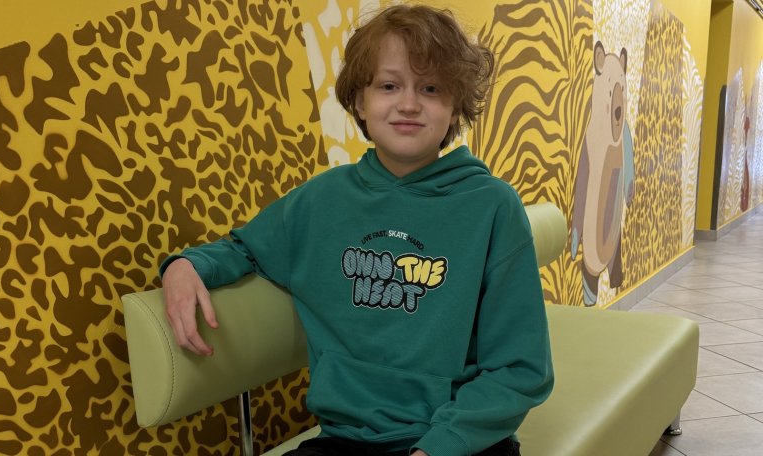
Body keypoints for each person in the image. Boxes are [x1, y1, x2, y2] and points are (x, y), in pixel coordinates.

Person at [159, 4, 553, 456]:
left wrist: (439, 447)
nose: (409, 103)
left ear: (455, 106)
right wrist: (185, 267)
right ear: (361, 102)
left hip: (460, 438)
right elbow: (244, 247)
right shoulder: (320, 200)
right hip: (345, 440)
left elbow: (521, 368)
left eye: (430, 88)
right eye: (389, 85)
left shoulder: (492, 207)